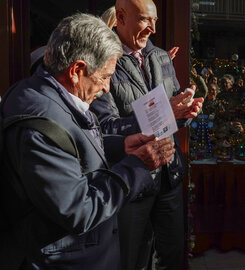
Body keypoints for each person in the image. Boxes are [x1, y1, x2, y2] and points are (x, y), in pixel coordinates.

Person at [0, 13, 175, 269]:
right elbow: (79, 211)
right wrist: (138, 166)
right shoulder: (39, 125)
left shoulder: (47, 93)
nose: (106, 88)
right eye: (104, 77)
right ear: (77, 70)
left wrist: (120, 145)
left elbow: (72, 147)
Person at [90, 0, 203, 269]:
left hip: (169, 175)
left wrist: (184, 113)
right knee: (131, 259)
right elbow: (105, 128)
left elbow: (173, 115)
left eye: (154, 21)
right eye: (144, 20)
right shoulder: (104, 62)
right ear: (120, 17)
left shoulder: (162, 57)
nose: (152, 28)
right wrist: (166, 112)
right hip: (133, 181)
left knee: (174, 256)